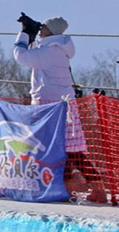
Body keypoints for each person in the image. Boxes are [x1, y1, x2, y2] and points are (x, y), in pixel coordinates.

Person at [13, 13, 108, 203]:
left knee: (59, 148)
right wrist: (29, 37)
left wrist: (24, 35)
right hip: (57, 105)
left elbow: (21, 56)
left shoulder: (52, 51)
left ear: (52, 31)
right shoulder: (54, 49)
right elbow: (31, 56)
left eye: (44, 27)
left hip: (51, 107)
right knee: (64, 148)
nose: (41, 29)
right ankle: (79, 185)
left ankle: (75, 185)